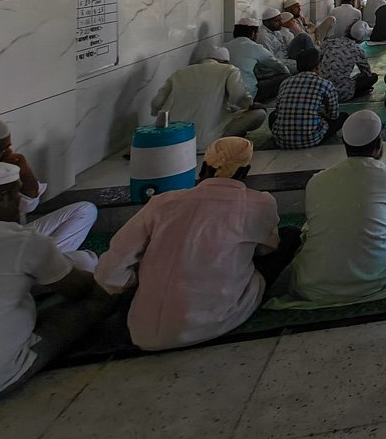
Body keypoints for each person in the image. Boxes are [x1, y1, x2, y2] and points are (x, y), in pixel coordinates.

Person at [0, 162, 112, 415]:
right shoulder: (20, 239)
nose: (21, 203)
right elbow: (82, 289)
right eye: (17, 195)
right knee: (99, 299)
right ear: (1, 199)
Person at [95, 137, 298, 351]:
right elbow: (266, 250)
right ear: (246, 171)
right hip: (218, 320)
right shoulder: (259, 203)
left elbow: (109, 273)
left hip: (141, 329)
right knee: (290, 236)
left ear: (203, 166)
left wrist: (140, 280)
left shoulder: (164, 203)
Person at [274, 112, 386, 308]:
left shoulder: (317, 181)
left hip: (316, 286)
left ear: (345, 145)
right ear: (379, 145)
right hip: (381, 279)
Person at [0, 119, 97, 258]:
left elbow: (28, 205)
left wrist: (24, 171)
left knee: (85, 210)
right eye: (4, 149)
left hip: (10, 239)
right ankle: (36, 271)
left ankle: (36, 270)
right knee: (85, 260)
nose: (9, 154)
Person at [150, 47, 267, 149]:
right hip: (210, 140)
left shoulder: (179, 73)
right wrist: (250, 104)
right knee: (259, 114)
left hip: (176, 139)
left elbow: (156, 104)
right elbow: (239, 96)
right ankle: (228, 137)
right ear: (224, 61)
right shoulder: (228, 69)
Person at [268, 48, 345, 149]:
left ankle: (285, 134)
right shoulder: (325, 84)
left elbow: (278, 112)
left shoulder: (285, 82)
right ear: (317, 66)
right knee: (343, 117)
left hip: (281, 141)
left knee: (272, 116)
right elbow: (333, 115)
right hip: (310, 139)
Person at [225, 16, 294, 102]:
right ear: (253, 33)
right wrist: (288, 74)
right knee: (287, 77)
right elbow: (277, 65)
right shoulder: (254, 47)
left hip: (227, 96)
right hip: (248, 95)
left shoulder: (225, 46)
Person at [318, 33, 378, 102]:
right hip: (342, 94)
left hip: (321, 92)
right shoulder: (357, 49)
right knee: (373, 77)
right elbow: (367, 73)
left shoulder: (329, 42)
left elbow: (317, 58)